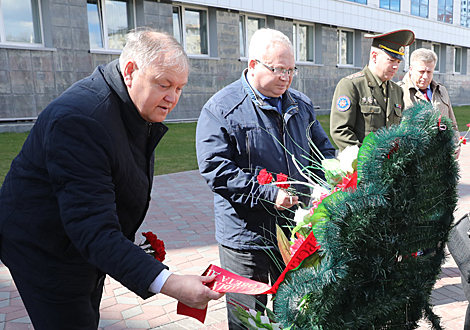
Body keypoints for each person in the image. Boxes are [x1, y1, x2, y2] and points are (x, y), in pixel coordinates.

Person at [0, 28, 223, 329]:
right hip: (46, 251)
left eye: (180, 88)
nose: (172, 98)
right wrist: (170, 283)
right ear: (130, 71)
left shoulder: (128, 104)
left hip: (77, 243)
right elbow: (92, 229)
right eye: (164, 85)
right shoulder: (81, 120)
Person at [196, 28, 336, 330]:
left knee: (298, 310)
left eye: (291, 70)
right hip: (246, 237)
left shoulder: (301, 104)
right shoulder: (222, 109)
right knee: (250, 320)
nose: (285, 78)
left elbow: (322, 150)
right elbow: (216, 169)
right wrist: (268, 194)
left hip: (294, 230)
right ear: (253, 65)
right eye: (277, 70)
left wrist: (332, 180)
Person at [330, 29, 415, 151]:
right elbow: (340, 131)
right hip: (359, 166)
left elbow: (398, 129)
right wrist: (366, 158)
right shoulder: (352, 85)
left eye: (398, 61)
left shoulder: (397, 90)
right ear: (374, 57)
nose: (396, 66)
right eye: (391, 60)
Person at [398, 47, 460, 157]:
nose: (425, 77)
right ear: (411, 69)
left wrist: (455, 145)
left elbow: (452, 124)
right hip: (413, 159)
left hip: (440, 159)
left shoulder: (442, 91)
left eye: (429, 72)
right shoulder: (399, 92)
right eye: (421, 72)